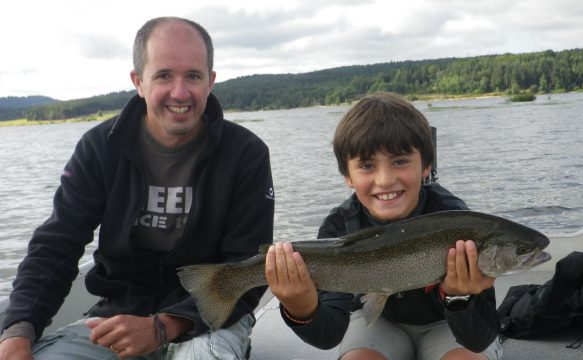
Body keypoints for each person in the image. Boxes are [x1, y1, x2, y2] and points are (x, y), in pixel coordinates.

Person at [0, 16, 274, 360]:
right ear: (138, 81)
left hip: (210, 321)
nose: (180, 92)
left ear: (210, 82)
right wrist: (18, 332)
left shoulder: (245, 154)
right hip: (117, 313)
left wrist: (164, 326)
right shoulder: (100, 148)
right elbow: (57, 246)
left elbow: (246, 269)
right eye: (163, 75)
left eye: (193, 75)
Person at [265, 93, 502, 360]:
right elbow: (329, 335)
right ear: (347, 176)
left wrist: (460, 298)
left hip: (446, 323)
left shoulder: (459, 221)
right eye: (367, 165)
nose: (385, 179)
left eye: (400, 161)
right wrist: (301, 309)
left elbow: (479, 336)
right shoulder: (339, 226)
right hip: (376, 322)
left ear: (426, 165)